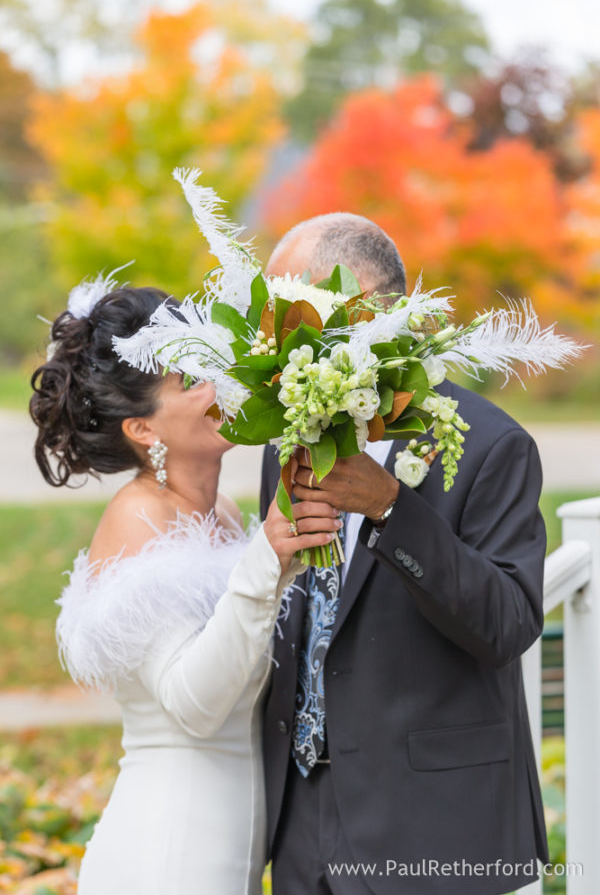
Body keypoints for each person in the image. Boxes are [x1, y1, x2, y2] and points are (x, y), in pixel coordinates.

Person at [260, 212, 549, 894]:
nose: (270, 339)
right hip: (302, 828)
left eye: (285, 317)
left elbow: (508, 625)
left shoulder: (488, 446)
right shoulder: (285, 438)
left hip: (433, 832)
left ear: (360, 309)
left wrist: (392, 507)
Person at [30, 283, 341, 895]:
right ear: (143, 428)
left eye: (209, 364)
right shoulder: (136, 519)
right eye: (188, 380)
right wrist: (265, 561)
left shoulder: (223, 511)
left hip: (234, 855)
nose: (216, 384)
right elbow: (195, 706)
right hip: (170, 857)